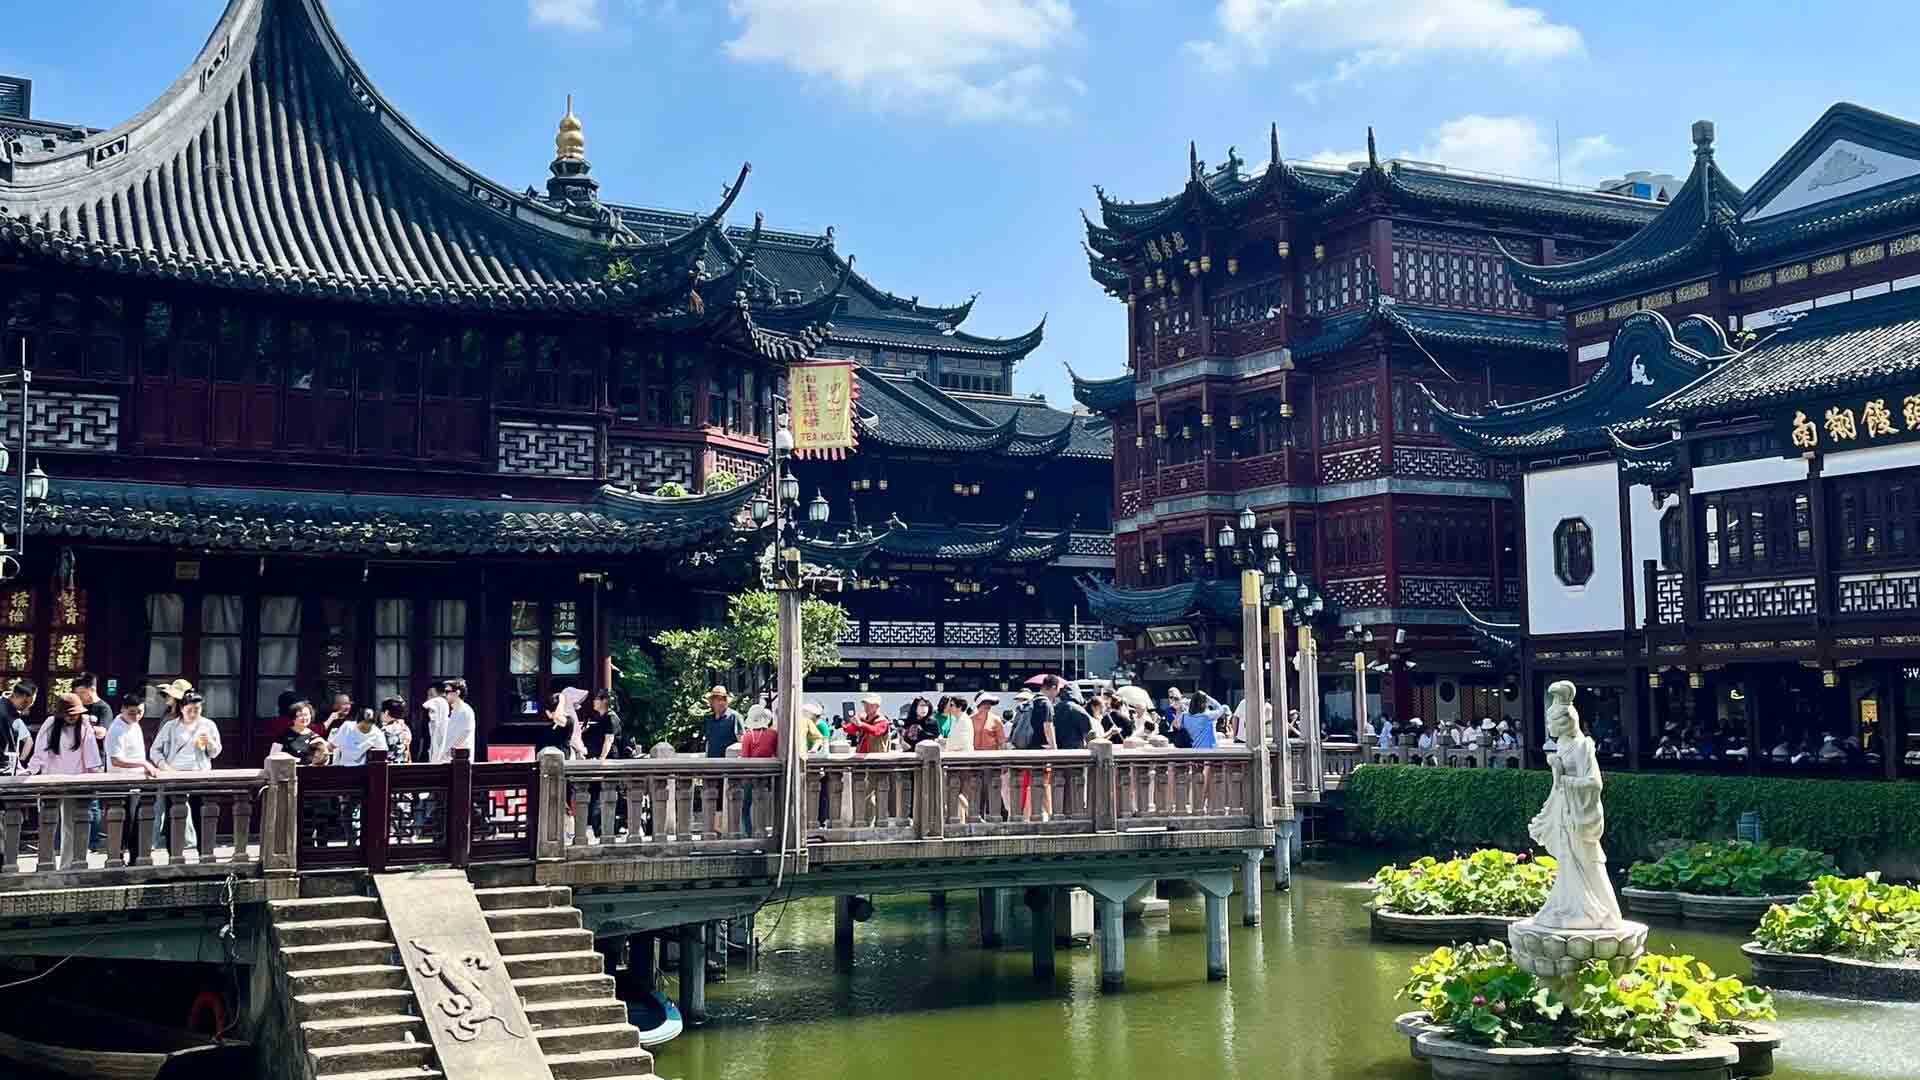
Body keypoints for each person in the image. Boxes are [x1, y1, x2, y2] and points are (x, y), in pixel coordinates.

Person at [148, 690, 221, 852]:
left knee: (201, 814)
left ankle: (204, 854)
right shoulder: (170, 726)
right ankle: (174, 854)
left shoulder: (208, 725)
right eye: (190, 710)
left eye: (197, 710)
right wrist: (163, 766)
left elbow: (215, 752)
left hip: (199, 774)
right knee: (174, 815)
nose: (194, 713)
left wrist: (209, 742)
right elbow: (154, 750)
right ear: (181, 708)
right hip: (175, 775)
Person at [739, 704, 778, 837]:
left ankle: (748, 834)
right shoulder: (773, 734)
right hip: (770, 777)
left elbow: (744, 758)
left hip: (751, 777)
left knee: (745, 807)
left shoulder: (748, 736)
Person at [276, 700, 330, 765]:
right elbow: (273, 755)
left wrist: (324, 746)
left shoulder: (315, 737)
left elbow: (323, 759)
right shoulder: (283, 735)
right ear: (293, 718)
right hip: (287, 771)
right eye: (300, 715)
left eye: (306, 715)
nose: (304, 718)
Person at [4, 679, 39, 772]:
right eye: (28, 703)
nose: (27, 708)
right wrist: (20, 761)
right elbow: (29, 741)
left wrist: (18, 764)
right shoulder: (9, 715)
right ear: (23, 697)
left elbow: (29, 741)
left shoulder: (13, 716)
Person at [440, 679, 475, 763]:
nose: (444, 695)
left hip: (459, 763)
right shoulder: (454, 711)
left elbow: (459, 737)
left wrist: (444, 755)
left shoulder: (465, 711)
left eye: (447, 691)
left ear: (457, 693)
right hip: (451, 761)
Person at [703, 686, 741, 758]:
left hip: (728, 764)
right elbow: (708, 742)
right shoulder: (709, 719)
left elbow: (741, 741)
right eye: (717, 699)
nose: (721, 702)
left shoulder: (734, 716)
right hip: (711, 763)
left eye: (723, 699)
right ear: (712, 702)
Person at [378, 698, 413, 764]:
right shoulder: (405, 728)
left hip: (389, 768)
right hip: (405, 766)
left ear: (386, 712)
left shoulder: (385, 730)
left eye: (381, 712)